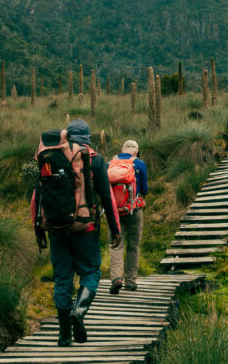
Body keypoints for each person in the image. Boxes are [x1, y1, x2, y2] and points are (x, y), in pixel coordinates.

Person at [32, 118, 122, 347]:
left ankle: (63, 337)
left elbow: (38, 196)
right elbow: (107, 197)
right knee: (90, 273)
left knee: (62, 278)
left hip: (56, 227)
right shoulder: (94, 159)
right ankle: (79, 313)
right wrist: (115, 229)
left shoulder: (50, 158)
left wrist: (38, 229)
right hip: (86, 227)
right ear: (88, 138)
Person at [108, 139, 148, 294]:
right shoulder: (140, 164)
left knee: (115, 245)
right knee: (133, 246)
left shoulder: (109, 164)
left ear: (122, 150)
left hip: (114, 212)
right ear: (136, 152)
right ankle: (130, 281)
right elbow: (144, 190)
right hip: (134, 209)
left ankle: (116, 278)